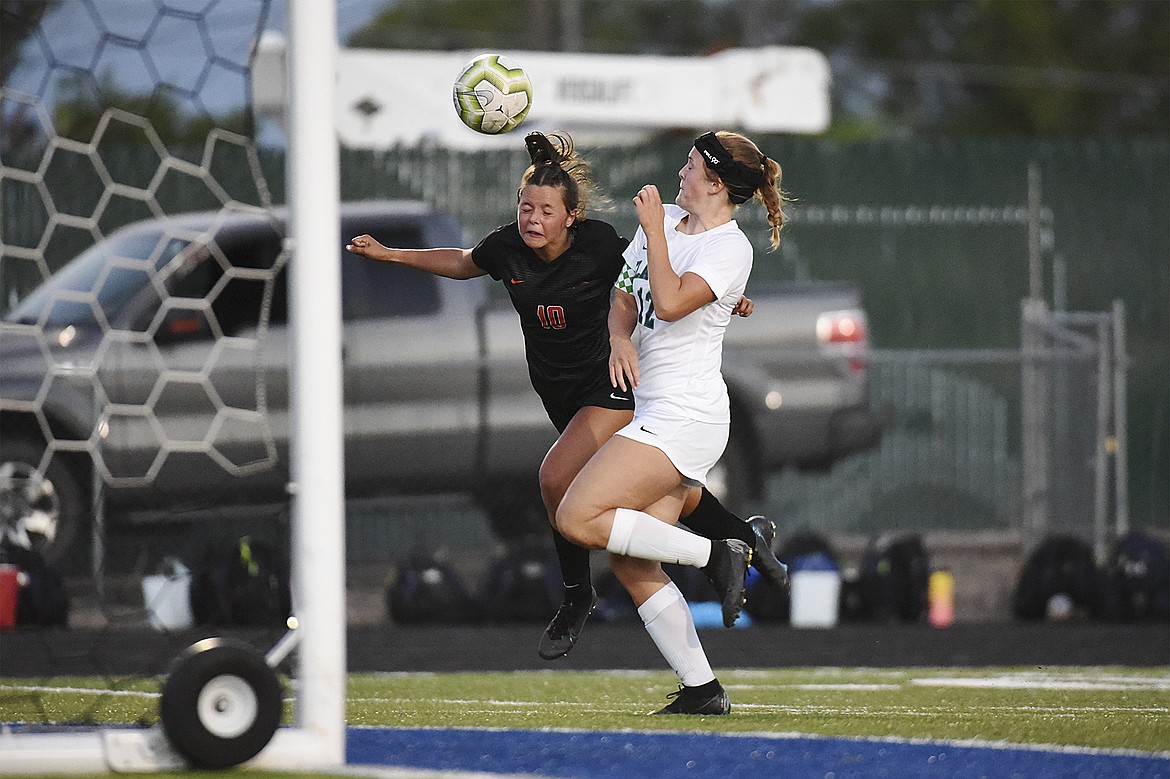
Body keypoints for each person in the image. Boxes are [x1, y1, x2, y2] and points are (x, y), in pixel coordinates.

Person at [346, 131, 786, 662]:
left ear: (572, 216)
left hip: (618, 387)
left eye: (546, 209)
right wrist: (391, 256)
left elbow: (669, 294)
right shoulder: (510, 246)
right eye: (525, 207)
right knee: (635, 539)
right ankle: (733, 568)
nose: (532, 218)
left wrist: (721, 297)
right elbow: (632, 288)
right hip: (575, 393)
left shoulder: (606, 242)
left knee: (560, 484)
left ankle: (594, 591)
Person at [556, 130, 787, 715]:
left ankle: (721, 553)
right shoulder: (667, 229)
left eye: (689, 164)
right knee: (631, 561)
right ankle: (703, 689)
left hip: (687, 414)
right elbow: (626, 299)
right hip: (658, 408)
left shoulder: (731, 246)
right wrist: (616, 337)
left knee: (576, 515)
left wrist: (657, 232)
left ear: (714, 180)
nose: (679, 172)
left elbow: (669, 302)